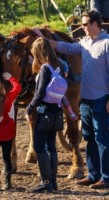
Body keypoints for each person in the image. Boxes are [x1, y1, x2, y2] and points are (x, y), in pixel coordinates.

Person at [44, 10, 109, 190]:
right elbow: (66, 48)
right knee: (88, 137)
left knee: (102, 137)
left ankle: (108, 177)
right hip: (85, 99)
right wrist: (44, 40)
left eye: (85, 24)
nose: (82, 28)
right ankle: (93, 174)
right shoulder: (85, 43)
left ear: (94, 24)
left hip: (101, 98)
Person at [25, 38, 64, 193]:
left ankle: (46, 181)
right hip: (56, 111)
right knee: (51, 146)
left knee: (39, 145)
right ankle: (53, 181)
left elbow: (40, 93)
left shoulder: (44, 69)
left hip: (44, 112)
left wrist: (30, 107)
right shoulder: (58, 66)